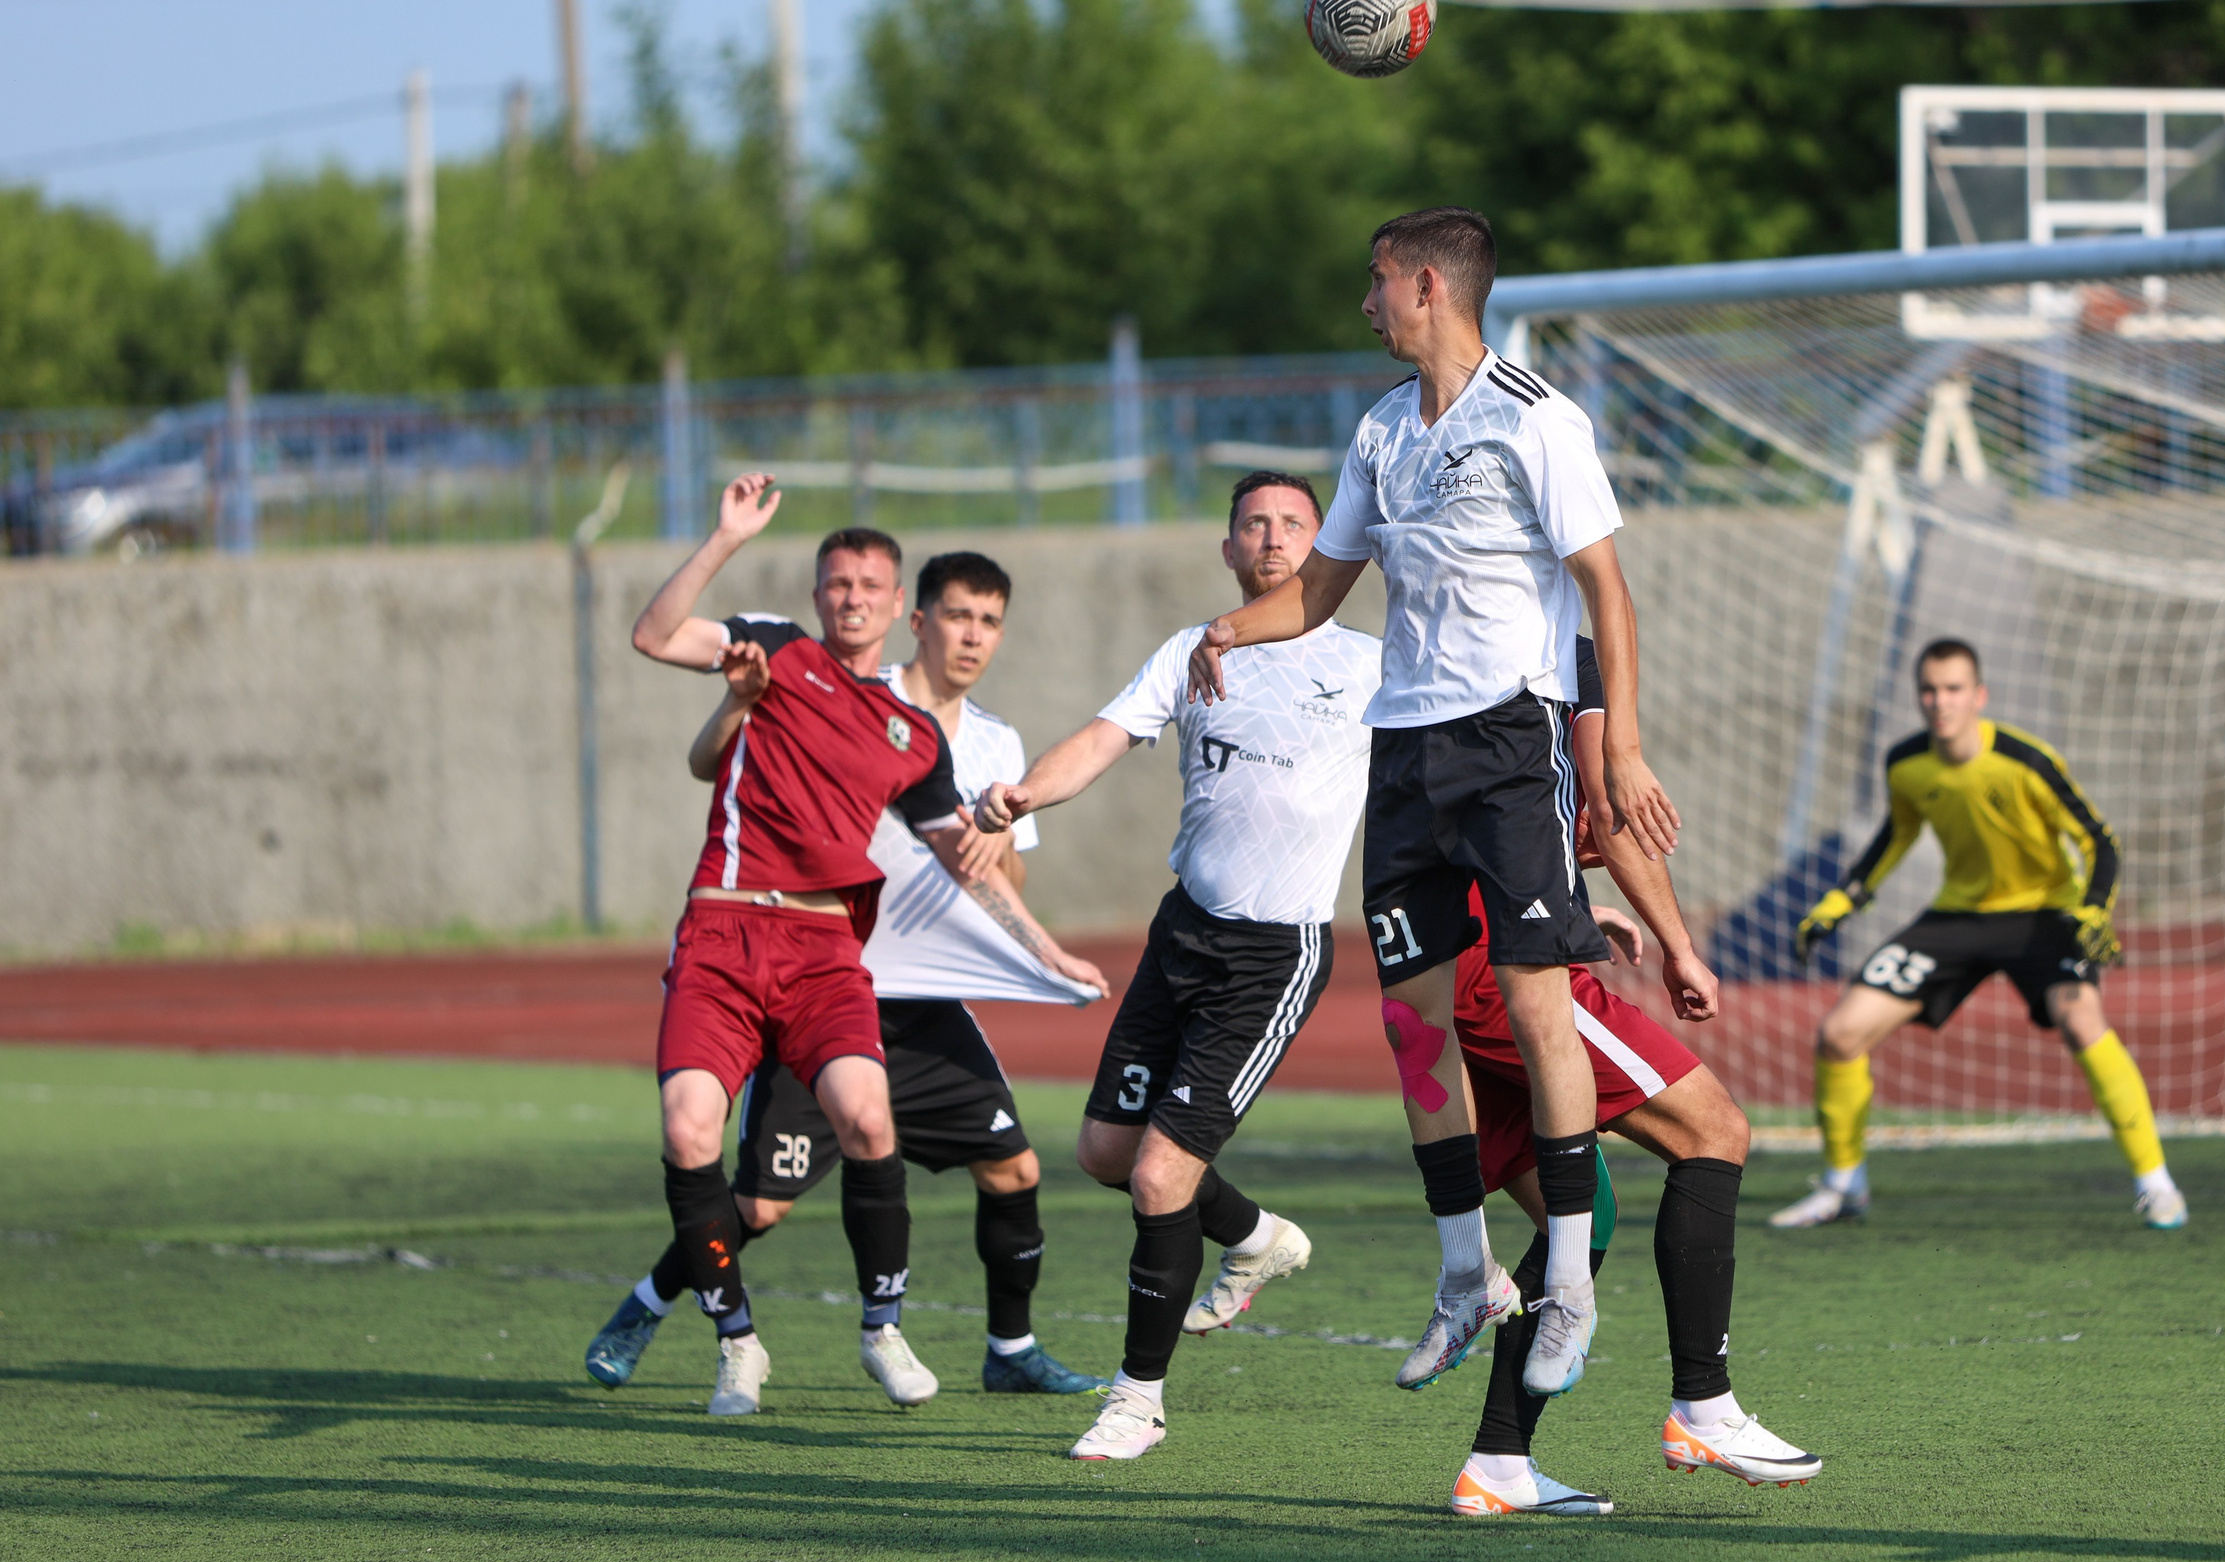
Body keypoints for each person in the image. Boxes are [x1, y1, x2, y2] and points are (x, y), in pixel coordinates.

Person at [1185, 207, 1681, 1406]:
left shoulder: (1536, 417)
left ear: (1426, 286)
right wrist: (1229, 628)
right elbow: (1319, 591)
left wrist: (1619, 748)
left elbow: (1606, 590)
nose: (1365, 305)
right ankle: (1466, 1273)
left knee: (1536, 1003)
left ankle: (1569, 1281)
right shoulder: (1377, 430)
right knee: (1414, 1023)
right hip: (1404, 752)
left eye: (1376, 283)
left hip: (1509, 741)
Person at [615, 487, 1104, 1415]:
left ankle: (885, 1329)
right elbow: (654, 635)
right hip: (724, 930)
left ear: (893, 606)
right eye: (837, 583)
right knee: (690, 1134)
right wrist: (725, 537)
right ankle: (736, 1343)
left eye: (869, 586)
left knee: (873, 1123)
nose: (852, 598)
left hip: (826, 948)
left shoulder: (914, 737)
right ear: (817, 595)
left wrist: (1050, 953)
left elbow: (967, 862)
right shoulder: (773, 650)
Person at [976, 471, 1380, 1461]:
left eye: (1294, 524)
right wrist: (1023, 795)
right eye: (1255, 524)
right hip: (1182, 935)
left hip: (1273, 956)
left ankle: (1137, 1401)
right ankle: (1255, 1237)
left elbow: (1457, 766)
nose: (1274, 538)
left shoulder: (1374, 664)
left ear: (1324, 545)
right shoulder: (1190, 651)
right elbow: (1101, 738)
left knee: (1160, 1176)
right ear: (1228, 548)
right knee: (1106, 1155)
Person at [1434, 637, 1823, 1515]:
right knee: (1713, 1129)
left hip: (1455, 963)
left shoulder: (1456, 652)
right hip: (1511, 972)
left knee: (1583, 1211)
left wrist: (1573, 903)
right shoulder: (1560, 652)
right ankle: (1704, 1406)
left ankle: (1498, 1464)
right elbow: (1608, 811)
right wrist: (1681, 947)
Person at [1786, 637, 2187, 1231]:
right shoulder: (1906, 763)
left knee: (2082, 1020)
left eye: (1953, 689)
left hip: (2044, 915)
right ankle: (1844, 1186)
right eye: (1929, 690)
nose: (1940, 701)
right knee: (1840, 1033)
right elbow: (1897, 834)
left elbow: (2098, 839)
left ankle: (2157, 1185)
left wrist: (2094, 911)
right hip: (1959, 917)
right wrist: (1845, 899)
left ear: (1979, 696)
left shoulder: (2027, 760)